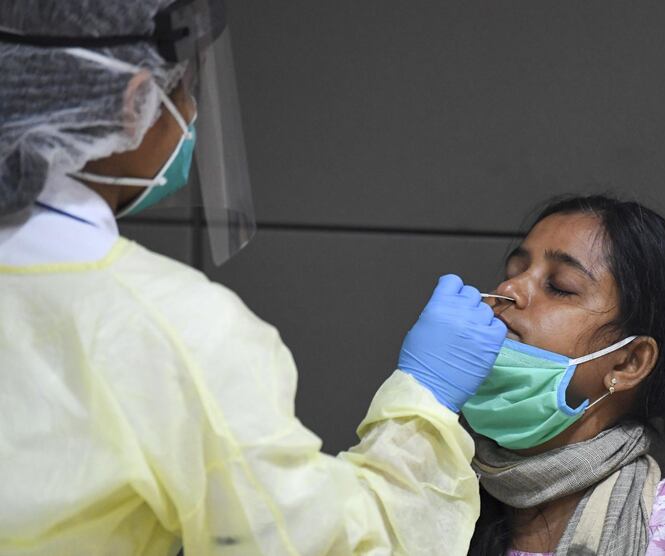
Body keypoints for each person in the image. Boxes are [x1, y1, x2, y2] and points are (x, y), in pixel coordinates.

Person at [0, 2, 507, 554]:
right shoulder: (176, 328)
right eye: (184, 89)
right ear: (132, 104)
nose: (191, 113)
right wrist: (424, 405)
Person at [463, 195, 665, 555]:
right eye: (512, 273)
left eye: (559, 285)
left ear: (628, 363)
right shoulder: (425, 494)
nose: (506, 291)